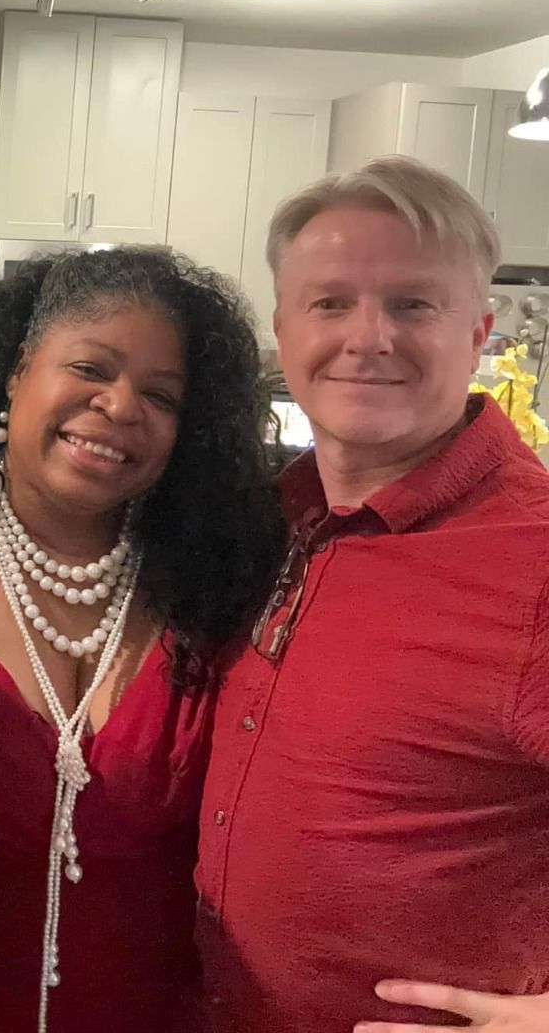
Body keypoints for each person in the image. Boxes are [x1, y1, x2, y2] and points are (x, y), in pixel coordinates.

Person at [0, 248, 285, 1033]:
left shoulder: (213, 575)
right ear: (20, 369)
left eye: (160, 395)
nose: (121, 406)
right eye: (91, 367)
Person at [194, 156, 549, 1033]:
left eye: (412, 305)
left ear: (480, 331)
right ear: (283, 328)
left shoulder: (534, 558)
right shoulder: (273, 519)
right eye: (331, 302)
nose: (368, 337)